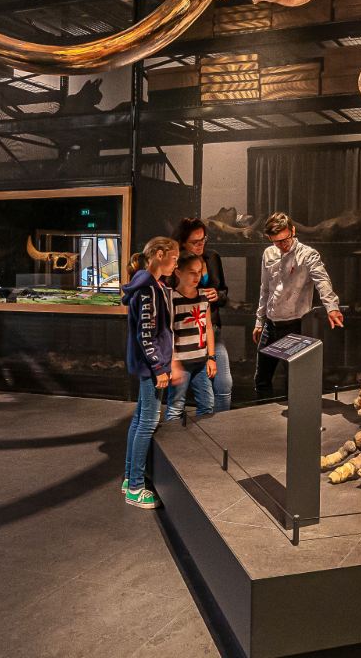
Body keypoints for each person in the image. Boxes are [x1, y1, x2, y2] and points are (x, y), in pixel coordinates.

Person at [253, 211, 344, 394]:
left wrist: (332, 308)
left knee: (295, 381)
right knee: (262, 378)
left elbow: (322, 281)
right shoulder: (268, 253)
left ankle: (297, 419)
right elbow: (265, 289)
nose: (283, 245)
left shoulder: (308, 255)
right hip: (270, 324)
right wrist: (259, 321)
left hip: (294, 325)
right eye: (277, 241)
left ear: (293, 231)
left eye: (285, 239)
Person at [122, 236, 181, 510]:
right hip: (151, 367)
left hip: (149, 365)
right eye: (174, 258)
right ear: (159, 254)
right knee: (147, 422)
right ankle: (135, 487)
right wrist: (159, 367)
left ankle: (129, 477)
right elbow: (146, 335)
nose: (176, 264)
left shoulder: (152, 285)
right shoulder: (147, 288)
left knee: (140, 419)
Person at [175, 217, 232, 411]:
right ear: (183, 242)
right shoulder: (177, 264)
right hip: (187, 335)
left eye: (203, 240)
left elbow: (224, 292)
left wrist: (217, 295)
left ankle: (219, 431)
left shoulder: (213, 257)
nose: (200, 245)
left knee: (223, 385)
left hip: (211, 329)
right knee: (178, 399)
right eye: (195, 242)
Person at [165, 252, 218, 421]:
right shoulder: (171, 299)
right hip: (181, 361)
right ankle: (172, 444)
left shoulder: (204, 296)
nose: (197, 276)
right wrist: (173, 363)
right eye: (192, 272)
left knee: (207, 403)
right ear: (178, 272)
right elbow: (168, 332)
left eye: (199, 271)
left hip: (201, 361)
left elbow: (208, 327)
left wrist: (211, 357)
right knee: (176, 406)